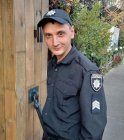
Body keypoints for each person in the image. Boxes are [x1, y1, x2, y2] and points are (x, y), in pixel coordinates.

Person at [37, 9, 107, 140]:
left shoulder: (87, 71)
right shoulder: (52, 65)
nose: (55, 42)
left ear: (72, 32)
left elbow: (94, 130)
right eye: (48, 35)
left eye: (60, 34)